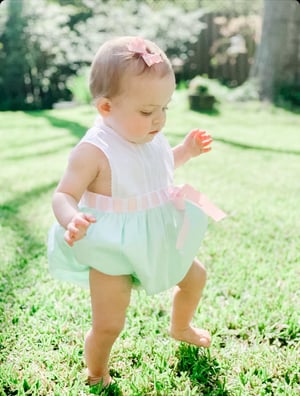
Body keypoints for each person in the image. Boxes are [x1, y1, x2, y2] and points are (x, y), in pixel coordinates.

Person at [48, 36, 226, 387]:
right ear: (105, 108)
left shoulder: (150, 134)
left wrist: (185, 152)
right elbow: (63, 194)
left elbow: (157, 170)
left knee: (195, 277)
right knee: (109, 322)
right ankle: (97, 373)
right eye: (147, 111)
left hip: (156, 233)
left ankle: (180, 326)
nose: (158, 119)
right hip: (112, 243)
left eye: (165, 108)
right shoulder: (92, 151)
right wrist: (71, 219)